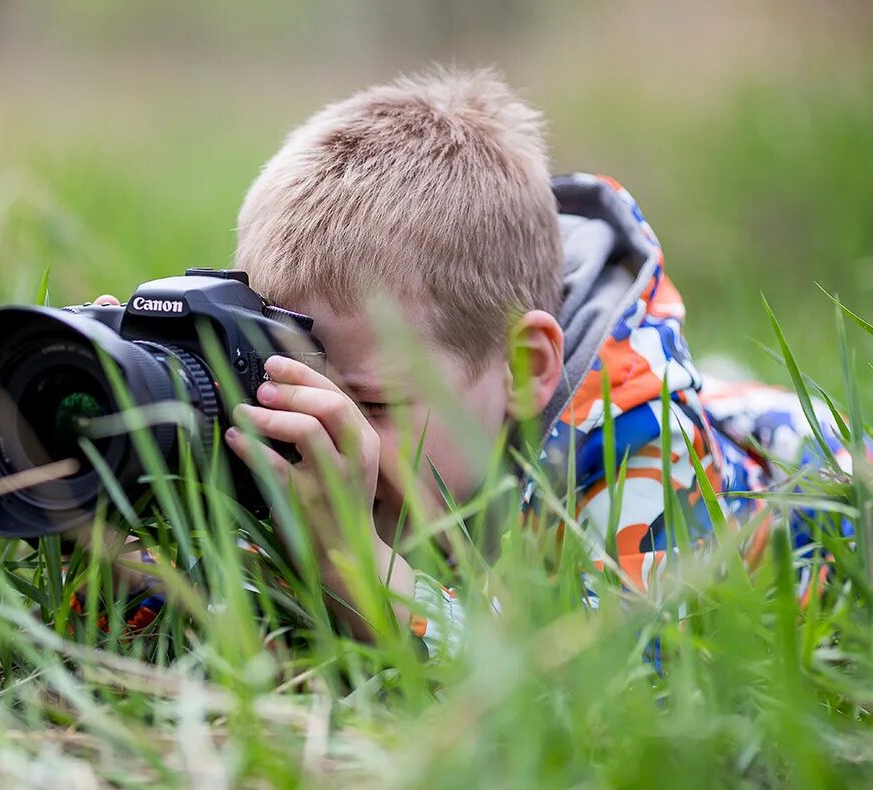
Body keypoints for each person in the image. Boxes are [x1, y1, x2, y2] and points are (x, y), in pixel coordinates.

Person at [94, 68, 857, 658]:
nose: (330, 438)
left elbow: (599, 690)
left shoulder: (636, 456)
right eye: (298, 389)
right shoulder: (320, 447)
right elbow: (239, 624)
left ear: (526, 370)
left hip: (798, 476)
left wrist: (347, 560)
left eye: (374, 406)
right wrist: (111, 533)